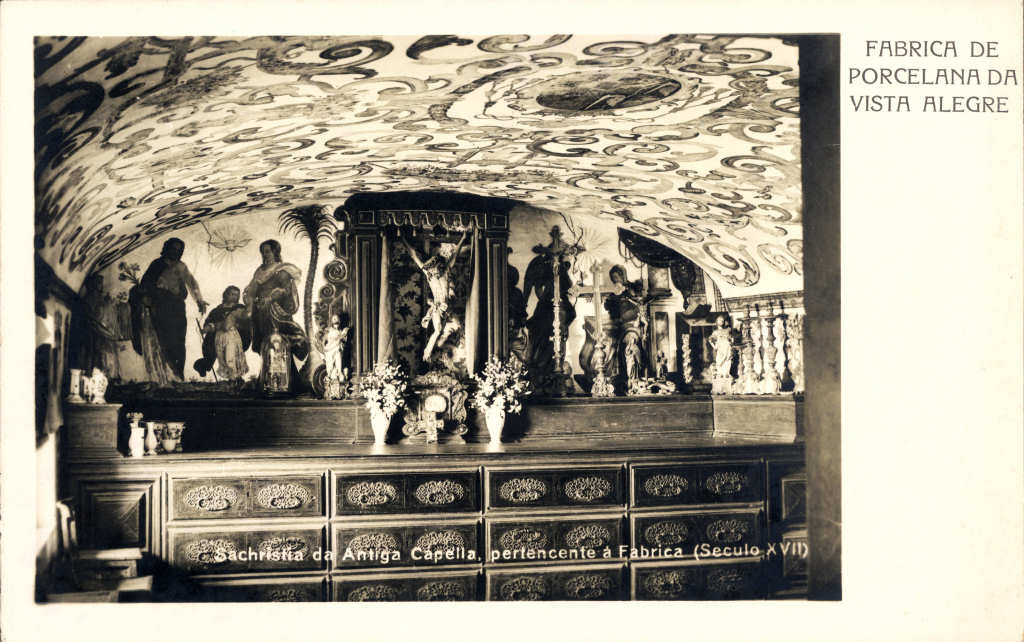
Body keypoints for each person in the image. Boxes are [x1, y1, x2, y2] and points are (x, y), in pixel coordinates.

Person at [129, 238, 208, 384]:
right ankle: (165, 376)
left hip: (177, 308)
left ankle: (178, 376)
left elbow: (191, 282)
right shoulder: (157, 264)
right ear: (166, 249)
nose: (176, 252)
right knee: (164, 340)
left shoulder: (181, 266)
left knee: (178, 341)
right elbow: (146, 285)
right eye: (174, 249)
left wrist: (199, 300)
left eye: (179, 250)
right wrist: (149, 296)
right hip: (161, 307)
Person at [244, 239, 309, 391]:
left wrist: (271, 297)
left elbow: (286, 290)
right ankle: (266, 381)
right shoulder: (259, 271)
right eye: (262, 252)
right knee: (265, 346)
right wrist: (250, 299)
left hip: (276, 313)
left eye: (267, 251)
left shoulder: (282, 270)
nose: (264, 254)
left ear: (275, 252)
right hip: (261, 313)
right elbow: (252, 289)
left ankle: (285, 383)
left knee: (278, 344)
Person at [399, 226, 470, 363]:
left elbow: (455, 254)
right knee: (437, 330)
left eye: (435, 268)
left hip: (447, 307)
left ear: (439, 266)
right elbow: (414, 255)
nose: (434, 271)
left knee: (457, 326)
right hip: (437, 308)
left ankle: (441, 345)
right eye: (432, 269)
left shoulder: (446, 271)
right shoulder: (429, 275)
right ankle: (427, 352)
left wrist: (463, 238)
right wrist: (403, 239)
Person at [194, 286, 250, 381]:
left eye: (237, 295)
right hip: (217, 337)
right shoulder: (217, 310)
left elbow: (245, 322)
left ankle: (236, 377)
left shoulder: (240, 308)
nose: (234, 297)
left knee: (233, 356)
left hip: (235, 336)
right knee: (211, 353)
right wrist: (207, 328)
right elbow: (209, 322)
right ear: (225, 295)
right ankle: (203, 366)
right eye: (232, 294)